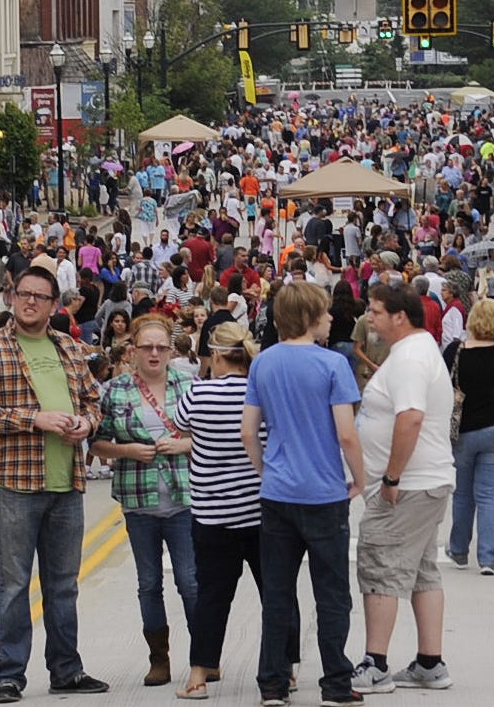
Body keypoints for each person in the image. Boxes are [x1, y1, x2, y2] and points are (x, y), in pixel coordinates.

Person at [0, 263, 111, 703]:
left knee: (63, 584)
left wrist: (86, 423)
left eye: (39, 296)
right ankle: (9, 675)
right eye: (22, 294)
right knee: (13, 584)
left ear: (53, 305)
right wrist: (36, 419)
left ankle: (66, 669)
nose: (29, 301)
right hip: (14, 484)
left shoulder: (68, 346)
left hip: (66, 482)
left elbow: (91, 400)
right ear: (10, 298)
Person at [242, 280, 365, 707]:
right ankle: (335, 682)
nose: (332, 318)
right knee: (332, 594)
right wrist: (361, 478)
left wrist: (265, 471)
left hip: (278, 493)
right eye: (327, 313)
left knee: (277, 593)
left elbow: (248, 432)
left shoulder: (263, 363)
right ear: (312, 318)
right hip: (325, 493)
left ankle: (273, 683)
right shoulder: (333, 365)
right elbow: (347, 435)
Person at [176, 321, 295, 699]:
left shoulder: (197, 394)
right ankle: (285, 667)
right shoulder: (262, 394)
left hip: (212, 514)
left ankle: (199, 673)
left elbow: (181, 428)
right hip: (262, 511)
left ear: (214, 356)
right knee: (277, 592)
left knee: (212, 594)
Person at [352, 282, 458, 694]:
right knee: (421, 571)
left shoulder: (412, 357)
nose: (370, 318)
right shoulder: (413, 352)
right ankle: (430, 662)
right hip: (423, 481)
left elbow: (410, 417)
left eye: (376, 311)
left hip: (408, 485)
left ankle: (375, 664)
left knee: (381, 565)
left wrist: (391, 476)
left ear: (400, 316)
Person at [93, 314, 199, 691]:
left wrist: (182, 444)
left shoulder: (189, 385)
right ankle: (159, 659)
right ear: (132, 350)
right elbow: (96, 443)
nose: (154, 353)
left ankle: (203, 657)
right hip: (139, 503)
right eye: (147, 347)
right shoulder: (114, 391)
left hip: (185, 501)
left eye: (161, 347)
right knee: (149, 583)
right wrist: (126, 450)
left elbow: (211, 433)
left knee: (190, 582)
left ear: (171, 350)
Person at [446, 299, 494, 575]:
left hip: (465, 427)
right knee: (490, 493)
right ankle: (488, 557)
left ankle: (458, 549)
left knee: (463, 493)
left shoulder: (456, 351)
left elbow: (446, 384)